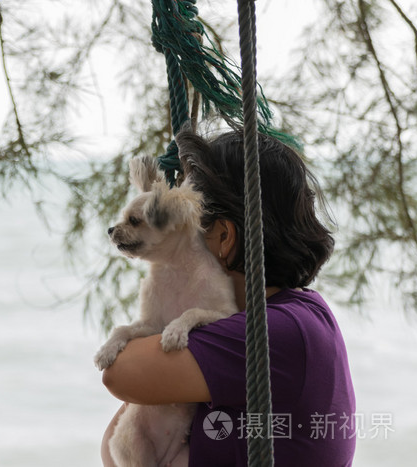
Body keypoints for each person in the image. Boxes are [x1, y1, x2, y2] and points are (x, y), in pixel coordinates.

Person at [100, 127, 356, 466]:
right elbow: (122, 441)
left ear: (224, 236)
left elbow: (122, 373)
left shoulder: (278, 331)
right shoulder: (296, 315)